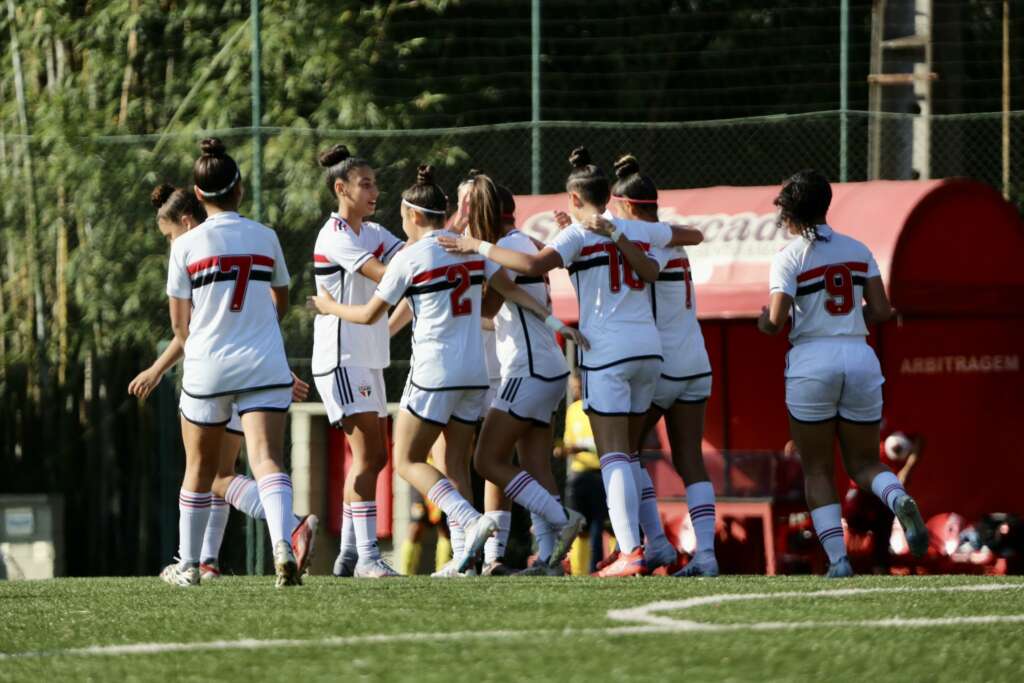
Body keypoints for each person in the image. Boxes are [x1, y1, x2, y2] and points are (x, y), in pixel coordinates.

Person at [309, 165, 584, 574]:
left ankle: (473, 522)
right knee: (457, 462)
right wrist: (557, 324)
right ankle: (467, 556)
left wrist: (328, 307)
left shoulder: (413, 256)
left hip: (434, 372)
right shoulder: (468, 248)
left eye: (403, 216)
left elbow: (369, 316)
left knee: (406, 460)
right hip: (476, 373)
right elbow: (510, 292)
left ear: (415, 215)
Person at [439, 147, 698, 577]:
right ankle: (575, 553)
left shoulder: (525, 244)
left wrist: (473, 246)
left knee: (494, 459)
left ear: (575, 198)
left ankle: (607, 542)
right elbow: (690, 238)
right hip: (642, 351)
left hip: (562, 360)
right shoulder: (630, 228)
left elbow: (523, 274)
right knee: (614, 457)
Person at [132, 184, 313, 581]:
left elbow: (186, 333)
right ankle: (233, 552)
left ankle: (195, 562)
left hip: (212, 374)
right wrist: (281, 373)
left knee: (209, 473)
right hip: (261, 371)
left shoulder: (192, 252)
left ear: (184, 220)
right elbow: (264, 312)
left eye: (168, 235)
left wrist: (156, 369)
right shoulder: (259, 237)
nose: (169, 243)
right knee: (245, 466)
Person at [757, 168, 929, 578]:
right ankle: (899, 497)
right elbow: (883, 312)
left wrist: (763, 321)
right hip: (859, 356)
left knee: (817, 468)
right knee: (865, 463)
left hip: (812, 361)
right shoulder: (858, 249)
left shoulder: (788, 257)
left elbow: (777, 320)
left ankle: (838, 560)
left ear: (790, 212)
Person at [460, 174, 586, 577]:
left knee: (486, 459)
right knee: (536, 465)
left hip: (526, 369)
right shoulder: (522, 243)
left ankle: (562, 517)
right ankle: (550, 558)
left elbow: (486, 311)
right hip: (548, 367)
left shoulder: (506, 248)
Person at [606, 154, 718, 577]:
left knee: (623, 451)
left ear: (629, 207)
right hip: (696, 360)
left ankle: (652, 543)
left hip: (662, 363)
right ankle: (705, 554)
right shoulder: (668, 234)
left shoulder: (642, 239)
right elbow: (696, 234)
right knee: (690, 457)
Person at [310, 144, 404, 579]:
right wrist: (416, 264)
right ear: (341, 188)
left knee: (374, 458)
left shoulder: (373, 231)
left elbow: (408, 254)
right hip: (342, 357)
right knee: (368, 457)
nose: (373, 191)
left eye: (375, 184)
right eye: (365, 184)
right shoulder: (335, 236)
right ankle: (366, 556)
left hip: (368, 356)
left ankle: (348, 556)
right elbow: (388, 275)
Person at [559, 370, 606, 574]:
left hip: (600, 472)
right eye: (574, 387)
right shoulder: (573, 410)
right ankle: (578, 571)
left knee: (599, 525)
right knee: (578, 526)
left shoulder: (600, 407)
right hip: (578, 474)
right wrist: (565, 449)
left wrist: (584, 448)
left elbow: (603, 443)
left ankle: (595, 567)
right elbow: (569, 442)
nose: (576, 390)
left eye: (579, 387)